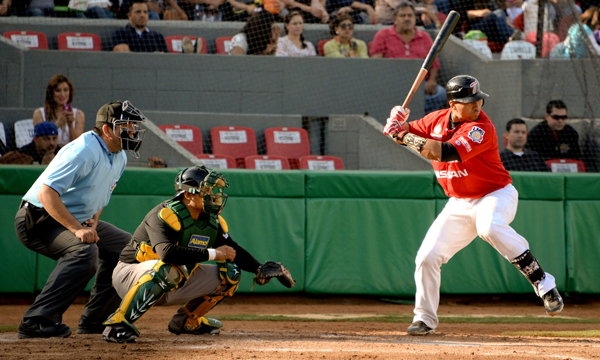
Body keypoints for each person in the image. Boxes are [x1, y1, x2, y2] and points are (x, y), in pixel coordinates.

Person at [382, 75, 564, 335]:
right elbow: (406, 132)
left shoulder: (481, 127)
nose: (477, 105)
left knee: (488, 227)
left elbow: (441, 152)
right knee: (427, 257)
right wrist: (396, 123)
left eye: (478, 99)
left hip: (495, 194)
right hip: (459, 202)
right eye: (469, 101)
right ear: (453, 104)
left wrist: (400, 134)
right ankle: (424, 319)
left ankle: (542, 281)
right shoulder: (435, 120)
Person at [101, 166, 295, 343]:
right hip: (130, 275)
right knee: (170, 268)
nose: (215, 196)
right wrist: (213, 254)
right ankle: (118, 324)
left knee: (231, 273)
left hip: (173, 277)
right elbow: (166, 254)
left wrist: (258, 268)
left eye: (215, 192)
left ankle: (187, 321)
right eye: (208, 192)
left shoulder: (211, 221)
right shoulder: (163, 214)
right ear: (187, 194)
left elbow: (232, 250)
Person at [14, 100, 147, 339]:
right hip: (37, 218)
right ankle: (37, 321)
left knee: (127, 249)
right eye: (126, 126)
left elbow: (100, 197)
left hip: (73, 217)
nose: (133, 132)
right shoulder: (85, 148)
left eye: (133, 126)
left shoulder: (120, 157)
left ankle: (95, 320)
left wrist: (93, 221)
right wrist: (77, 229)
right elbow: (46, 194)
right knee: (84, 252)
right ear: (107, 130)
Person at [370, 2, 446, 114]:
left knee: (440, 93)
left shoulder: (424, 37)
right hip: (391, 84)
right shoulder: (383, 35)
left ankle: (422, 122)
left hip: (419, 86)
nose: (407, 19)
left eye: (410, 16)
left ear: (415, 18)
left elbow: (434, 63)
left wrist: (432, 81)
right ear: (395, 19)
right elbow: (376, 63)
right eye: (403, 16)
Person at [33, 74, 85, 147]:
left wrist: (70, 125)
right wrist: (56, 125)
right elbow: (41, 141)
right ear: (51, 93)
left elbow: (77, 145)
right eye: (58, 90)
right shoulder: (39, 113)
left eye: (65, 90)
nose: (62, 94)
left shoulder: (79, 114)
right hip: (49, 152)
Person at [450, 0, 515, 44]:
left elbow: (505, 15)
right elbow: (462, 13)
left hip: (493, 27)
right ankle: (510, 37)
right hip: (474, 28)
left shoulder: (493, 1)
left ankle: (512, 34)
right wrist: (481, 13)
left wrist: (510, 25)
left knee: (500, 13)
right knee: (499, 12)